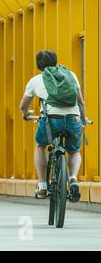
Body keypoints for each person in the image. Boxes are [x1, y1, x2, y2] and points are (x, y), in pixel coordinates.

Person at [20, 50, 86, 202]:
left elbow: (23, 105)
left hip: (51, 121)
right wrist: (82, 119)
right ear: (55, 61)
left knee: (40, 145)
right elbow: (80, 102)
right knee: (74, 151)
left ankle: (43, 185)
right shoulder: (70, 75)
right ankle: (73, 178)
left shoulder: (35, 80)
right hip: (73, 119)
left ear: (38, 65)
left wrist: (25, 114)